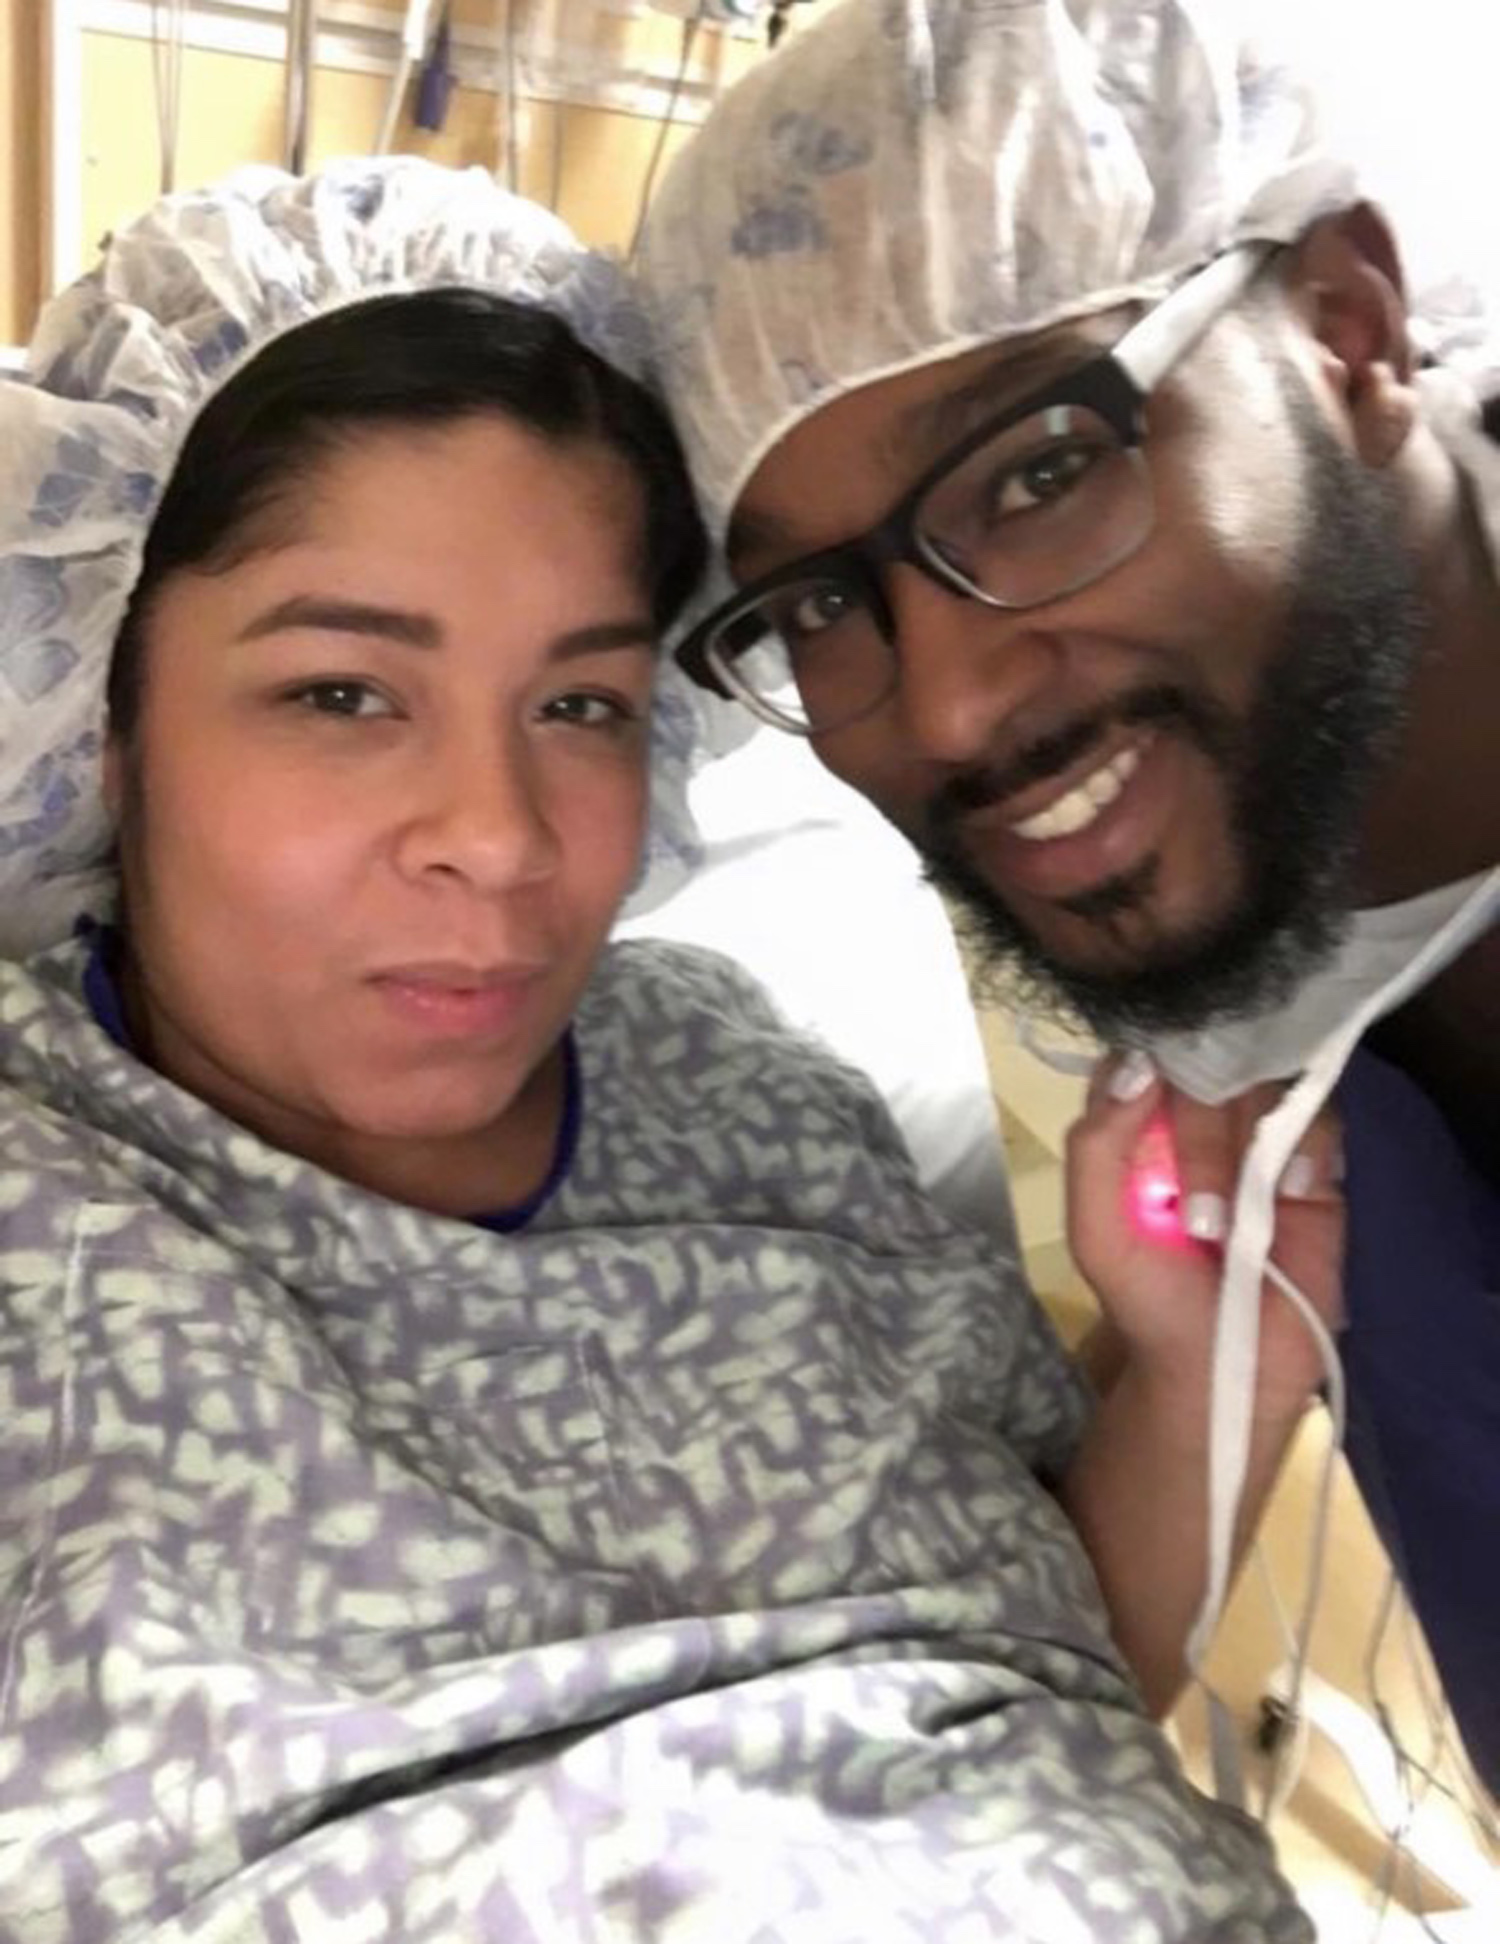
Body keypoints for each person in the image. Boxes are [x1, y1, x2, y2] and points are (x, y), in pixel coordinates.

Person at [0, 159, 1333, 1942]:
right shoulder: (40, 1207)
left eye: (581, 705)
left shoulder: (761, 1103)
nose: (501, 837)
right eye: (343, 693)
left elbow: (1029, 1679)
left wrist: (1199, 1366)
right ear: (106, 726)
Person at [635, 0, 1500, 1793]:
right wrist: (1196, 1378)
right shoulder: (1260, 957)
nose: (950, 709)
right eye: (818, 607)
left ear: (1349, 331)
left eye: (1036, 474)